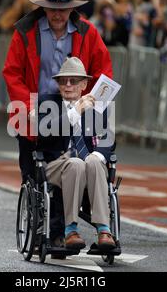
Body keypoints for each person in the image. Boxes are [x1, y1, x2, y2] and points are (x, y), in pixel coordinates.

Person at [2, 0, 113, 252]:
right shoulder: (26, 32)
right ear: (44, 8)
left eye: (62, 9)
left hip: (79, 100)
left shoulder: (87, 32)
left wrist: (93, 101)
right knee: (36, 170)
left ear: (71, 9)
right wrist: (27, 109)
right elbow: (13, 73)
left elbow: (104, 71)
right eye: (52, 8)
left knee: (87, 157)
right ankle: (51, 230)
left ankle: (92, 230)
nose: (57, 14)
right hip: (36, 104)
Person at [37, 57, 116, 250]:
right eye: (63, 81)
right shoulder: (47, 102)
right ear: (58, 84)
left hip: (89, 166)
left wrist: (98, 155)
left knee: (93, 161)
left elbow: (109, 140)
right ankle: (70, 230)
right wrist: (75, 112)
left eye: (74, 81)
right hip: (57, 165)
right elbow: (44, 136)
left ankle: (104, 231)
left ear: (84, 84)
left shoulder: (97, 106)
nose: (68, 85)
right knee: (76, 163)